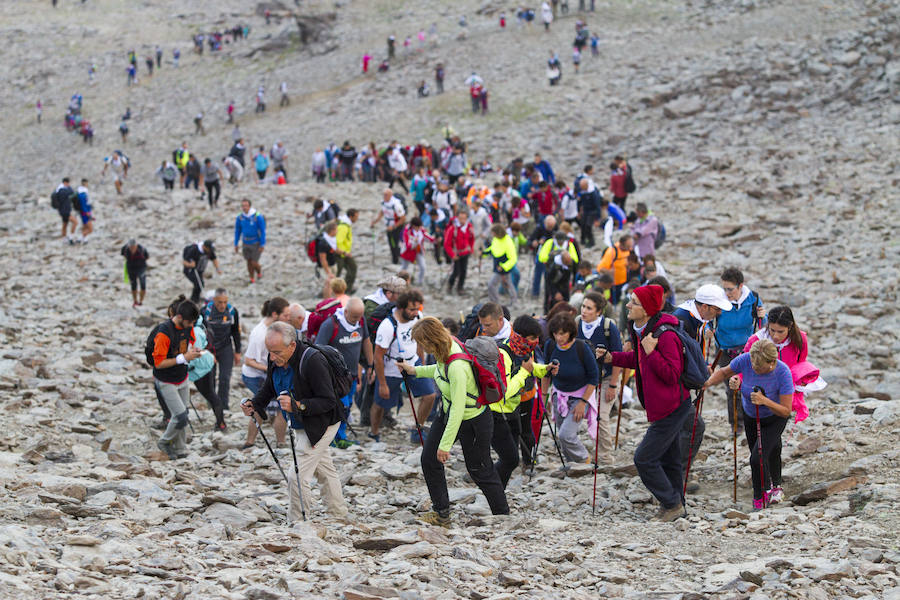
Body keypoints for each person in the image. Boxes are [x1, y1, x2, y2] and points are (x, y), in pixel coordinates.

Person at [398, 317, 509, 526]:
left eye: (422, 343)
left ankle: (503, 516)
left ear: (432, 341)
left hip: (473, 420)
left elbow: (458, 408)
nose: (421, 347)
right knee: (428, 459)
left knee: (479, 469)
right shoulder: (445, 349)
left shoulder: (457, 364)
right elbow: (440, 371)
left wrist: (445, 446)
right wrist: (414, 371)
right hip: (448, 412)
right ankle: (441, 512)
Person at [241, 322, 349, 519]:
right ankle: (339, 514)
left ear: (292, 345)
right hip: (302, 423)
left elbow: (328, 401)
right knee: (325, 470)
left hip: (322, 424)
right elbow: (269, 387)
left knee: (297, 475)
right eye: (269, 352)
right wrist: (255, 404)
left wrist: (298, 405)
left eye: (276, 352)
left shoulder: (313, 361)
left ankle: (298, 521)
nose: (272, 358)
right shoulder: (276, 356)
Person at [601, 285, 690, 522]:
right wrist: (613, 357)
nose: (628, 306)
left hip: (672, 406)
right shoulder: (642, 329)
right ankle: (676, 505)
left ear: (648, 309)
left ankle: (671, 503)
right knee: (670, 459)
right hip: (660, 407)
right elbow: (638, 358)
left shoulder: (665, 335)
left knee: (644, 458)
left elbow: (672, 374)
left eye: (634, 302)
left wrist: (652, 352)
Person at [703, 339, 793, 510]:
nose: (754, 369)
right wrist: (706, 384)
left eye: (759, 368)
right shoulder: (745, 360)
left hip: (775, 417)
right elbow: (723, 372)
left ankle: (760, 497)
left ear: (772, 363)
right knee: (763, 452)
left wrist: (764, 401)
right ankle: (769, 488)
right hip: (751, 415)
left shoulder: (783, 373)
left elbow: (786, 411)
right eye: (753, 366)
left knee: (757, 457)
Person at [370, 289, 435, 443]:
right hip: (391, 369)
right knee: (380, 404)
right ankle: (374, 433)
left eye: (417, 309)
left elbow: (420, 342)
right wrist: (383, 384)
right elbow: (378, 357)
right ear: (401, 308)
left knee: (430, 395)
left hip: (413, 363)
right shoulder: (387, 326)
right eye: (411, 309)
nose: (415, 312)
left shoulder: (418, 317)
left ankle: (417, 428)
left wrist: (423, 366)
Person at [315, 298, 374, 447]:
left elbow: (366, 341)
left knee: (347, 406)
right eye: (354, 317)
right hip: (335, 377)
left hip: (352, 375)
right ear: (346, 311)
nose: (357, 320)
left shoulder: (360, 322)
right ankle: (334, 438)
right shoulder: (330, 325)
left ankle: (340, 435)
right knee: (340, 406)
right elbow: (317, 350)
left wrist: (370, 365)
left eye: (359, 317)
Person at [542, 313, 599, 464]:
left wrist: (582, 403)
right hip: (559, 395)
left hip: (580, 395)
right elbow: (545, 373)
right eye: (555, 333)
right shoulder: (550, 345)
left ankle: (584, 459)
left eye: (562, 333)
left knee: (565, 435)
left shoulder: (581, 348)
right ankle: (572, 466)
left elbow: (594, 377)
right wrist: (543, 397)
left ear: (570, 332)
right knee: (562, 434)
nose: (558, 338)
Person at [576, 292, 623, 465]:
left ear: (598, 311)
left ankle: (605, 458)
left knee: (601, 416)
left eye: (589, 308)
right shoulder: (576, 324)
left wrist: (612, 385)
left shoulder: (609, 327)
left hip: (606, 378)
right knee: (584, 415)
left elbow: (618, 357)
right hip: (586, 380)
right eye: (583, 306)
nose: (584, 310)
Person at [151, 300, 202, 460]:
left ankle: (180, 449)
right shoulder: (164, 333)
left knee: (184, 414)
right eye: (189, 322)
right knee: (179, 415)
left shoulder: (188, 327)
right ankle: (164, 442)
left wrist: (193, 352)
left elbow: (190, 343)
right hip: (166, 380)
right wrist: (183, 358)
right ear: (179, 317)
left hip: (182, 377)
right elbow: (158, 363)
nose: (191, 325)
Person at [716, 268, 766, 426]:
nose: (726, 292)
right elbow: (709, 322)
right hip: (724, 351)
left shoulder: (754, 299)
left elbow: (763, 326)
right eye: (724, 288)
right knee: (732, 388)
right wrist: (708, 331)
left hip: (746, 351)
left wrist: (763, 317)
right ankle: (736, 425)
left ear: (740, 286)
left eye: (730, 289)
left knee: (748, 385)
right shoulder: (719, 301)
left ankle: (750, 421)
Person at [241, 297, 291, 449]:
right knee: (271, 407)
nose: (289, 319)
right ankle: (278, 443)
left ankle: (252, 442)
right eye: (286, 316)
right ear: (275, 314)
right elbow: (248, 360)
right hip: (255, 376)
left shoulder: (277, 330)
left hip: (267, 373)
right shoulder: (259, 334)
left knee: (268, 406)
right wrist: (273, 368)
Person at [203, 289, 242, 413]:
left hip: (226, 346)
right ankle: (212, 403)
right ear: (214, 300)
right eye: (219, 302)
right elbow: (200, 332)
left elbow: (235, 331)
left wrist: (238, 351)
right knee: (210, 377)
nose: (222, 305)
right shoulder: (205, 311)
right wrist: (204, 352)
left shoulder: (232, 311)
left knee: (225, 377)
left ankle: (224, 405)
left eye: (225, 302)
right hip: (210, 348)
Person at [538, 231, 579, 313]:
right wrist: (555, 292)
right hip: (552, 274)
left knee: (565, 296)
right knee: (549, 295)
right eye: (559, 240)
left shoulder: (569, 245)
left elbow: (575, 259)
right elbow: (542, 256)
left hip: (565, 277)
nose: (561, 242)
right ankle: (547, 312)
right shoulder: (549, 243)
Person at [483, 223, 519, 306]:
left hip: (503, 268)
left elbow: (513, 258)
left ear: (497, 232)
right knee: (508, 284)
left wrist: (503, 267)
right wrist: (484, 253)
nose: (492, 234)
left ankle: (495, 303)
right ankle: (513, 301)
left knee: (492, 285)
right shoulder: (496, 239)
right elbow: (493, 248)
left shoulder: (508, 241)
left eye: (493, 233)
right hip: (497, 267)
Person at [371, 188, 407, 265]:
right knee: (391, 243)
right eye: (384, 194)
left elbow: (403, 218)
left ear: (391, 195)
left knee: (396, 243)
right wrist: (375, 221)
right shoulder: (384, 202)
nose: (384, 196)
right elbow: (382, 212)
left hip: (397, 226)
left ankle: (397, 259)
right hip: (388, 225)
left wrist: (394, 226)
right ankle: (395, 259)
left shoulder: (396, 205)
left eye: (386, 195)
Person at [234, 199, 266, 284]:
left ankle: (259, 271)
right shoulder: (240, 217)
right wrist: (236, 243)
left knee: (254, 262)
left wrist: (262, 244)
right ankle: (251, 278)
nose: (244, 208)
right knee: (248, 261)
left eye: (246, 206)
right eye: (243, 206)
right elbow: (237, 230)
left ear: (249, 206)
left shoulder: (257, 216)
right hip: (245, 242)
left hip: (256, 242)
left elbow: (262, 231)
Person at [596, 233, 633, 305]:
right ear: (621, 244)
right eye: (628, 246)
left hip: (623, 281)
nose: (630, 249)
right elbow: (600, 268)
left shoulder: (627, 250)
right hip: (612, 285)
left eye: (631, 246)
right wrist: (609, 272)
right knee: (611, 302)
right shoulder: (612, 252)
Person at [444, 209, 474, 294]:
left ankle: (460, 287)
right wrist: (452, 255)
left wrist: (470, 248)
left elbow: (472, 238)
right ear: (457, 218)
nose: (462, 221)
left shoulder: (469, 227)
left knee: (464, 271)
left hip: (465, 253)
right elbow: (447, 244)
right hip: (456, 253)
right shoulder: (453, 229)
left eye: (464, 218)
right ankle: (450, 285)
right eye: (460, 218)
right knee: (456, 271)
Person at [400, 216, 434, 286]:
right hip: (407, 252)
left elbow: (428, 237)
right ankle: (399, 282)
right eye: (417, 227)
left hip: (418, 251)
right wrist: (414, 242)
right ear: (413, 226)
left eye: (420, 227)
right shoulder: (407, 231)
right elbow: (407, 245)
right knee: (404, 268)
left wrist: (435, 239)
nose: (419, 229)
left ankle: (420, 282)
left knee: (423, 267)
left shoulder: (421, 229)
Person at [335, 209, 359, 293]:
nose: (357, 219)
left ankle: (346, 289)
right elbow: (338, 242)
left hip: (345, 253)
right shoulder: (343, 227)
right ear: (351, 216)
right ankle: (334, 291)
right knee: (337, 273)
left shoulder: (346, 225)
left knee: (352, 268)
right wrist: (343, 252)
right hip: (340, 254)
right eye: (356, 217)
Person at [121, 239, 149, 307]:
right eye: (131, 247)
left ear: (136, 246)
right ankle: (135, 301)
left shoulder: (142, 249)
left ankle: (141, 301)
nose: (132, 248)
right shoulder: (125, 249)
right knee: (133, 285)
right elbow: (123, 255)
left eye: (133, 247)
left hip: (141, 267)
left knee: (142, 284)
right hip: (131, 268)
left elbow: (147, 257)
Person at [52, 177, 78, 243]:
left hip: (62, 210)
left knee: (65, 224)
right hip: (65, 210)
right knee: (75, 222)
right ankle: (71, 237)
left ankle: (64, 238)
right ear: (65, 182)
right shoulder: (62, 190)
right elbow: (71, 192)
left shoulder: (58, 189)